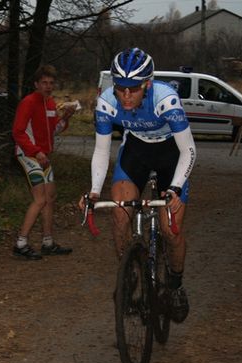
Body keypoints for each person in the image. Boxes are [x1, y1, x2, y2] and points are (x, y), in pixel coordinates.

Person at [79, 48, 196, 323]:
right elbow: (101, 150)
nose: (126, 96)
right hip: (136, 154)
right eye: (121, 88)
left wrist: (175, 188)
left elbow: (189, 149)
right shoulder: (106, 102)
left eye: (133, 89)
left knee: (171, 231)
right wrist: (95, 191)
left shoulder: (165, 99)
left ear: (147, 84)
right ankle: (129, 272)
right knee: (120, 213)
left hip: (171, 155)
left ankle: (176, 285)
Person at [12, 64, 77, 260]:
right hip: (28, 155)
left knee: (50, 197)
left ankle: (47, 242)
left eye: (51, 83)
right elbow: (18, 132)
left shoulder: (50, 103)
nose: (48, 86)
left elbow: (53, 130)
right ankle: (20, 243)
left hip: (44, 156)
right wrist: (35, 151)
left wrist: (65, 118)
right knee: (40, 199)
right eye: (44, 83)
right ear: (36, 84)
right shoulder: (28, 102)